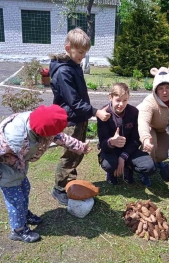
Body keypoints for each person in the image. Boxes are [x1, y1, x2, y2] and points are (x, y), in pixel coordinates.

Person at [0, 105, 92, 243]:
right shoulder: (13, 138)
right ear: (43, 133)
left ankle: (24, 215)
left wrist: (80, 146)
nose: (56, 135)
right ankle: (18, 230)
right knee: (16, 201)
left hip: (17, 167)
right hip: (5, 172)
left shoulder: (40, 127)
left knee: (25, 189)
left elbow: (60, 137)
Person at [41, 28, 111, 206]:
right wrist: (95, 111)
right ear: (68, 48)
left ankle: (69, 182)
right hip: (70, 119)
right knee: (70, 154)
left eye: (85, 52)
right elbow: (74, 101)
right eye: (80, 52)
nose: (83, 56)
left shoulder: (73, 66)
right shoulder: (64, 72)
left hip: (78, 117)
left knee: (76, 153)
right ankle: (59, 188)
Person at [97, 83, 156, 186]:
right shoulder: (103, 113)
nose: (121, 104)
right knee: (109, 165)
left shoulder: (134, 112)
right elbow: (102, 142)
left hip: (129, 149)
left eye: (125, 100)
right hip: (111, 151)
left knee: (149, 167)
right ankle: (111, 172)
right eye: (118, 100)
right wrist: (111, 142)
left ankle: (128, 167)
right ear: (110, 97)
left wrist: (123, 156)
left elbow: (135, 139)